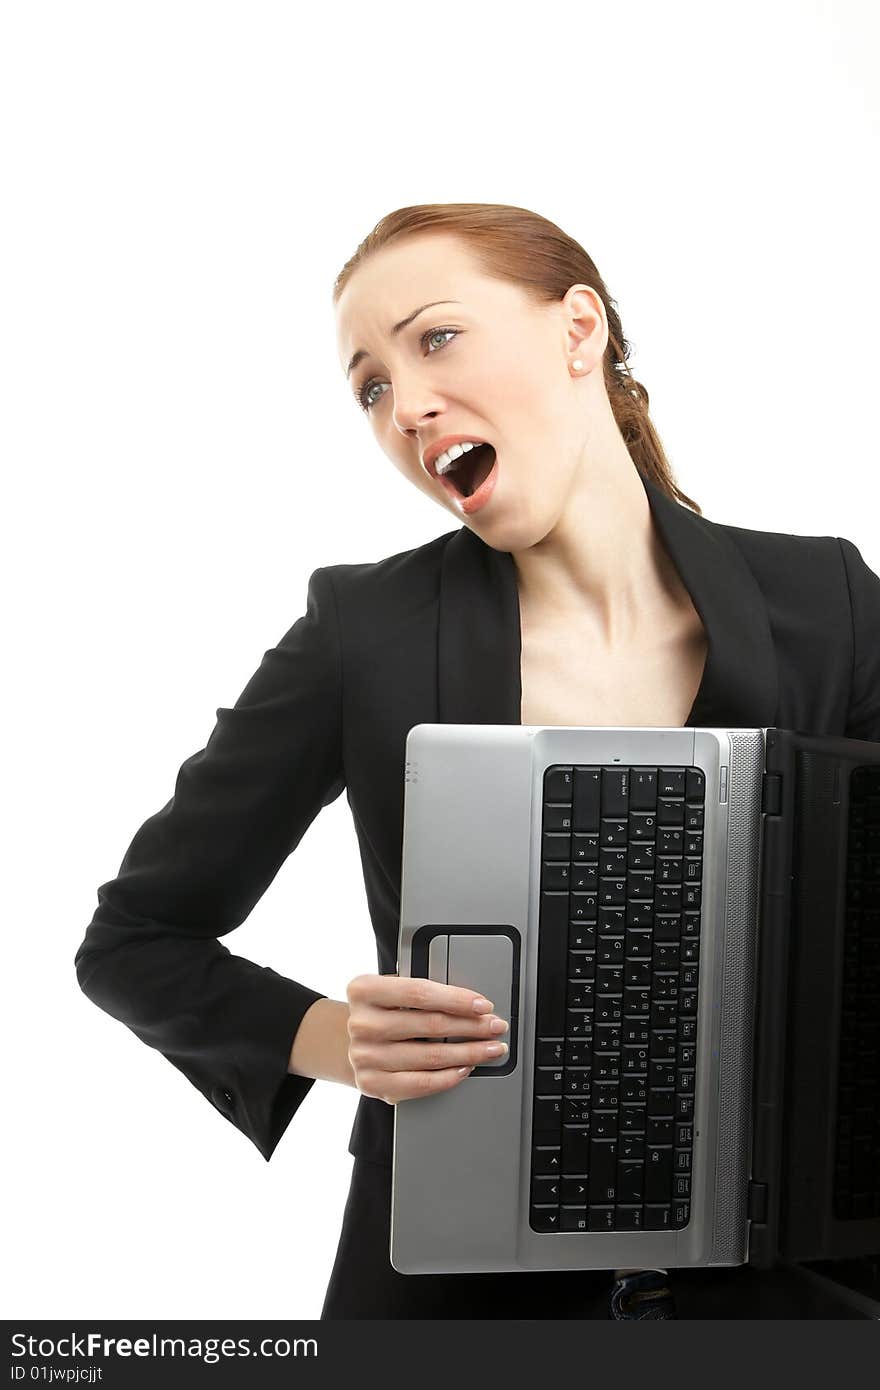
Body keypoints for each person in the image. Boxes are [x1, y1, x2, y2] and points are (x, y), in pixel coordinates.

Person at [74, 202, 880, 1320]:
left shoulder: (827, 600)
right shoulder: (364, 631)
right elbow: (133, 939)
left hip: (786, 1278)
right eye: (368, 386)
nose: (404, 406)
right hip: (455, 1293)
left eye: (434, 338)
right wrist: (336, 1041)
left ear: (577, 328)